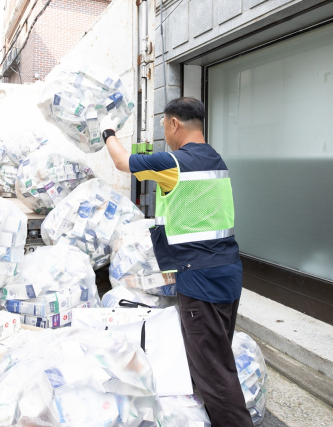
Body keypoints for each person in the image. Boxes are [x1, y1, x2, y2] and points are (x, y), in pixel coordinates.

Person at [100, 97, 253, 426]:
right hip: (227, 272)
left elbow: (122, 162)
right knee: (215, 359)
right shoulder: (216, 159)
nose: (164, 134)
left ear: (174, 124)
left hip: (201, 280)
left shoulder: (175, 163)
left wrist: (107, 131)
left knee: (214, 375)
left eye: (164, 127)